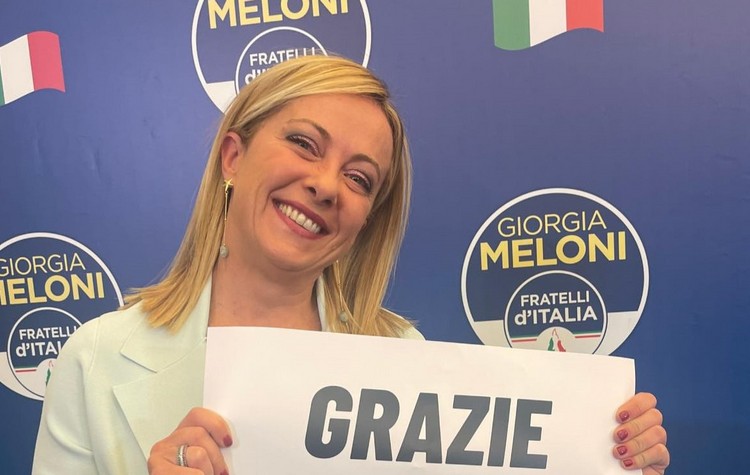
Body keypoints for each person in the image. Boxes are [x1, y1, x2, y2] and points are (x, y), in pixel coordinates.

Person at [32, 55, 669, 474]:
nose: (325, 185)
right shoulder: (95, 358)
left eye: (360, 178)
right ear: (233, 157)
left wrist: (605, 452)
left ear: (367, 219)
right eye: (303, 144)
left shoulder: (403, 357)